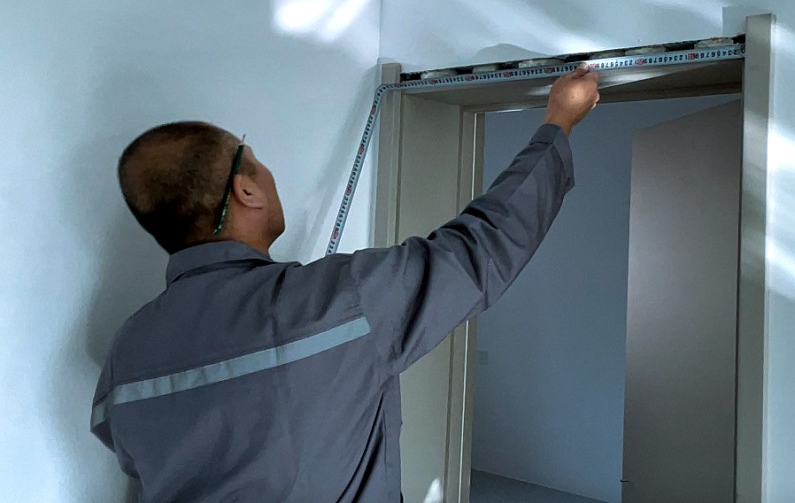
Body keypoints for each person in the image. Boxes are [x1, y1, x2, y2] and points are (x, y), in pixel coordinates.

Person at [90, 65, 601, 502]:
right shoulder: (340, 299)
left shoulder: (125, 353)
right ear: (246, 191)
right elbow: (479, 249)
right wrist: (558, 124)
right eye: (256, 161)